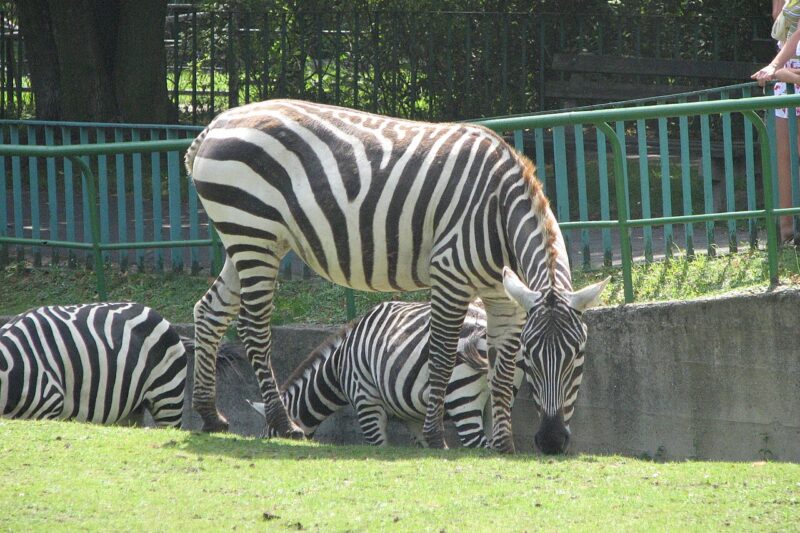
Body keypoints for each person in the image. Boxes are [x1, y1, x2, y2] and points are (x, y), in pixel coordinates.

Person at [753, 0, 800, 244]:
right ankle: (786, 233)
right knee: (784, 159)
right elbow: (779, 22)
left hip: (788, 73)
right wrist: (778, 69)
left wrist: (777, 69)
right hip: (788, 75)